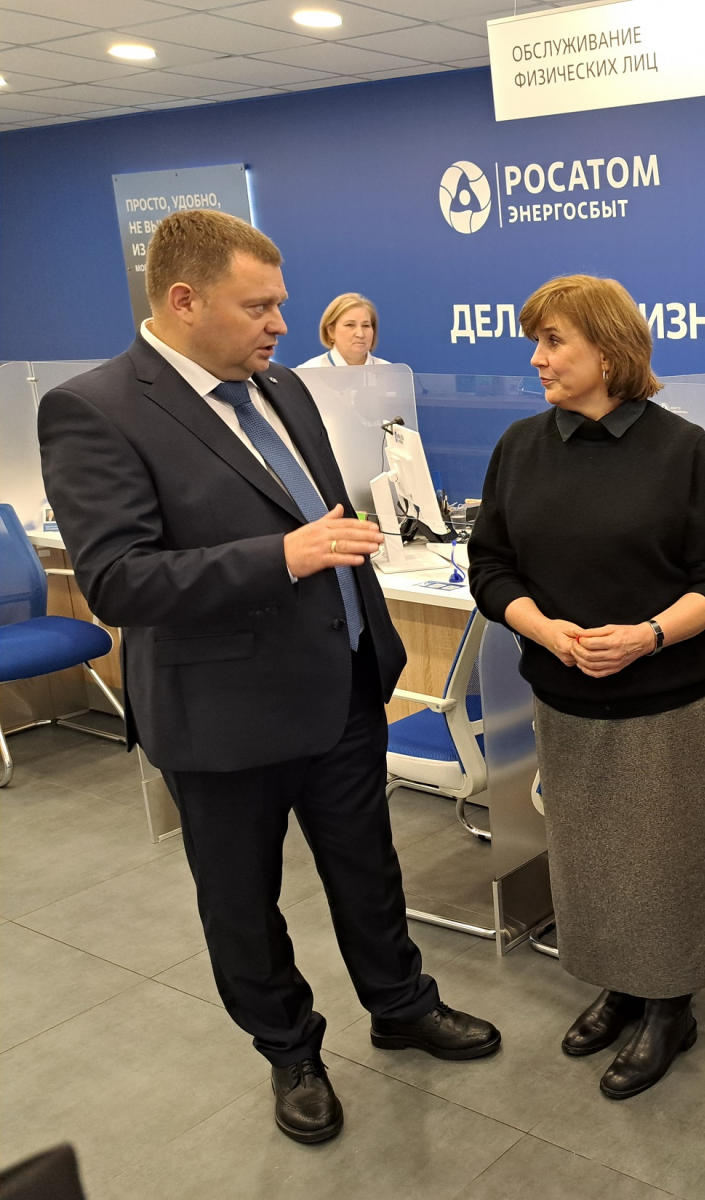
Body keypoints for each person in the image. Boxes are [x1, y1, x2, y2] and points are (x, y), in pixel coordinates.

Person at [36, 210, 499, 1147]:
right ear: (183, 300)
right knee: (243, 902)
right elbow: (119, 580)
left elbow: (324, 515)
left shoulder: (281, 387)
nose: (281, 325)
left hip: (340, 686)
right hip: (220, 713)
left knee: (369, 869)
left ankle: (401, 1005)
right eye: (259, 307)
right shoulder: (96, 407)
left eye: (280, 304)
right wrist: (282, 556)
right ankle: (291, 1051)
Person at [468, 274, 705, 1100]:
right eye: (537, 341)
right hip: (564, 699)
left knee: (664, 863)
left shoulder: (682, 450)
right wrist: (546, 631)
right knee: (590, 859)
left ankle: (671, 1005)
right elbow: (492, 566)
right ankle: (621, 984)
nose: (537, 357)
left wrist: (648, 635)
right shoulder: (520, 447)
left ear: (610, 352)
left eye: (554, 341)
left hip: (664, 701)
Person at [297, 292, 388, 367]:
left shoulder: (390, 373)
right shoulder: (307, 373)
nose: (360, 334)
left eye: (366, 325)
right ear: (331, 331)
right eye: (350, 325)